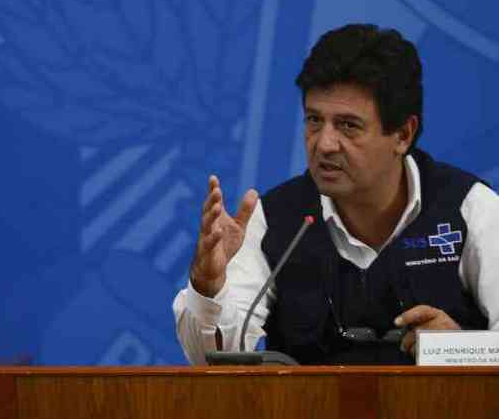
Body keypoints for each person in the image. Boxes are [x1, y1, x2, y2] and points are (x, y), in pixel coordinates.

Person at [173, 23, 499, 365]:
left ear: (403, 134)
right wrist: (208, 287)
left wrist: (461, 350)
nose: (324, 144)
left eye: (348, 125)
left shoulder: (470, 209)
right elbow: (211, 361)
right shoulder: (274, 220)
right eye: (314, 120)